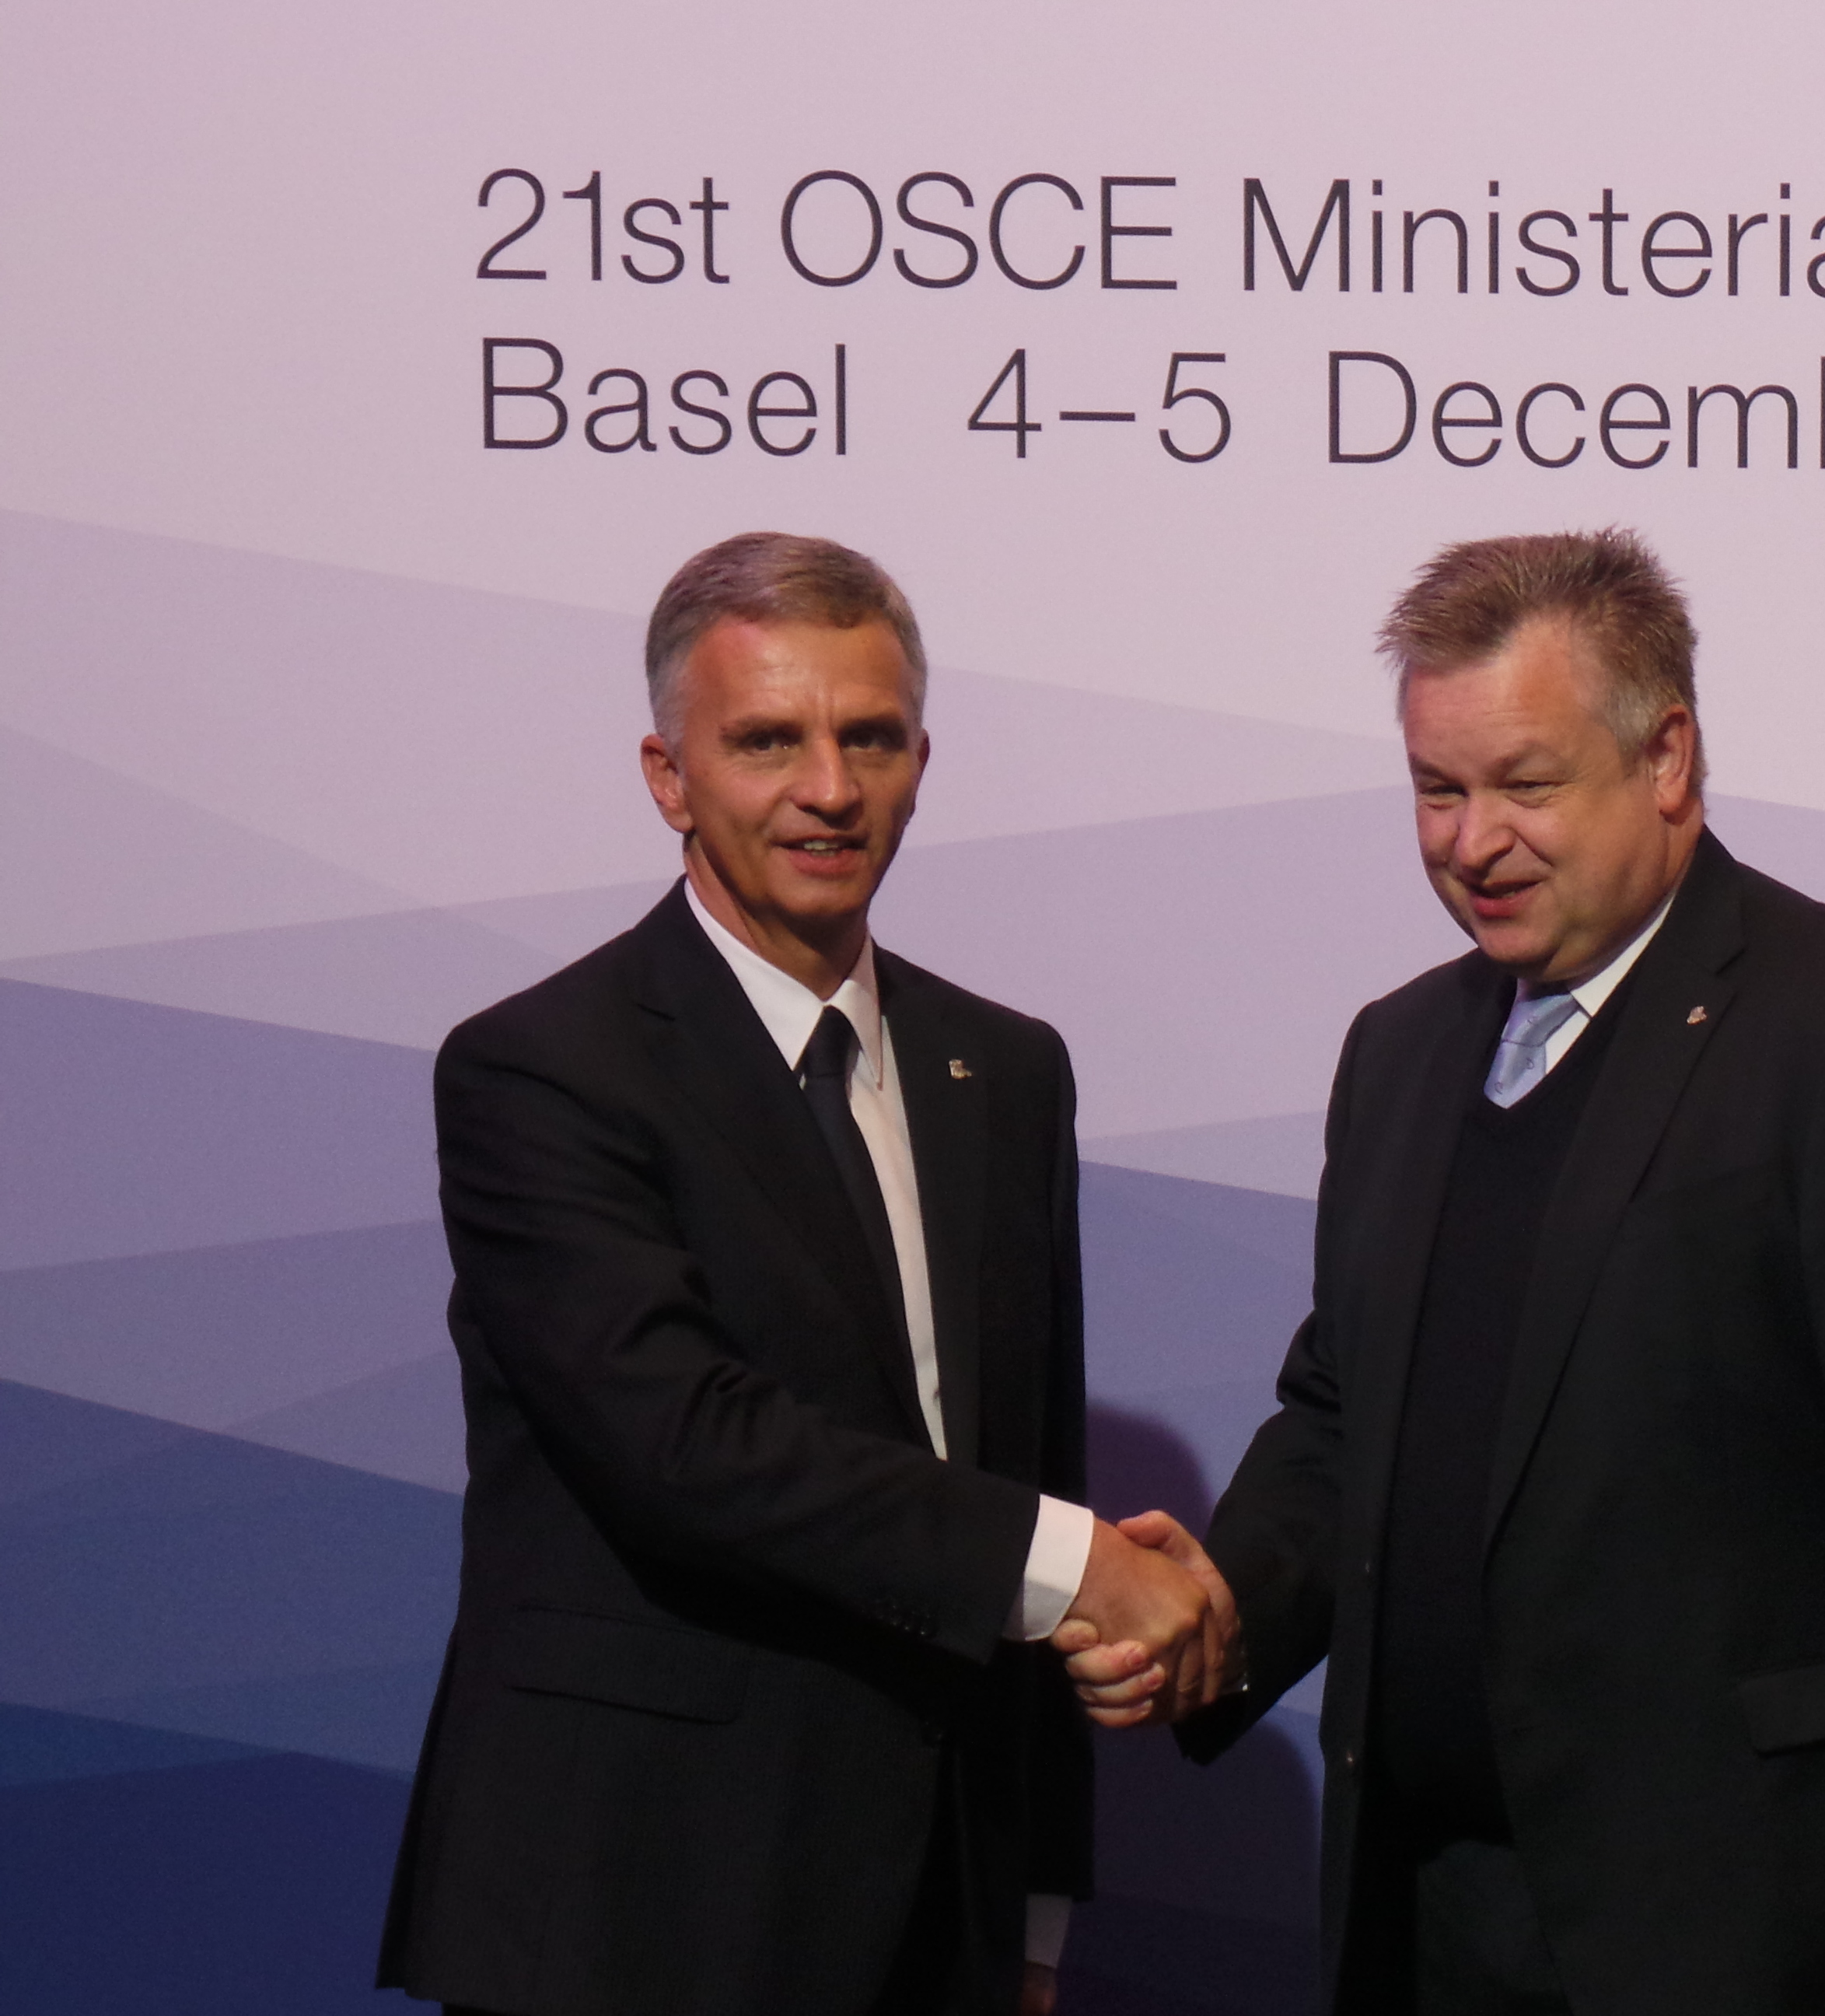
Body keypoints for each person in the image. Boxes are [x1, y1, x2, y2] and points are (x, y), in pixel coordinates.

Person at [1069, 530, 1825, 2016]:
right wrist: (1223, 1609)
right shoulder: (1399, 1053)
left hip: (1736, 1926)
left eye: (1525, 786)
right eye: (1437, 789)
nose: (1473, 841)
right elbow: (1351, 1416)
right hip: (1420, 1920)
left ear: (1667, 759)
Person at [379, 532, 1229, 2016]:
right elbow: (687, 1446)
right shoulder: (540, 1073)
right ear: (668, 775)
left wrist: (1031, 1913)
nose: (829, 789)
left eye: (871, 738)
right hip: (633, 1914)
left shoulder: (1006, 1071)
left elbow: (1018, 1452)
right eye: (767, 740)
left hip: (936, 1922)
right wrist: (1082, 1564)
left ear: (918, 759)